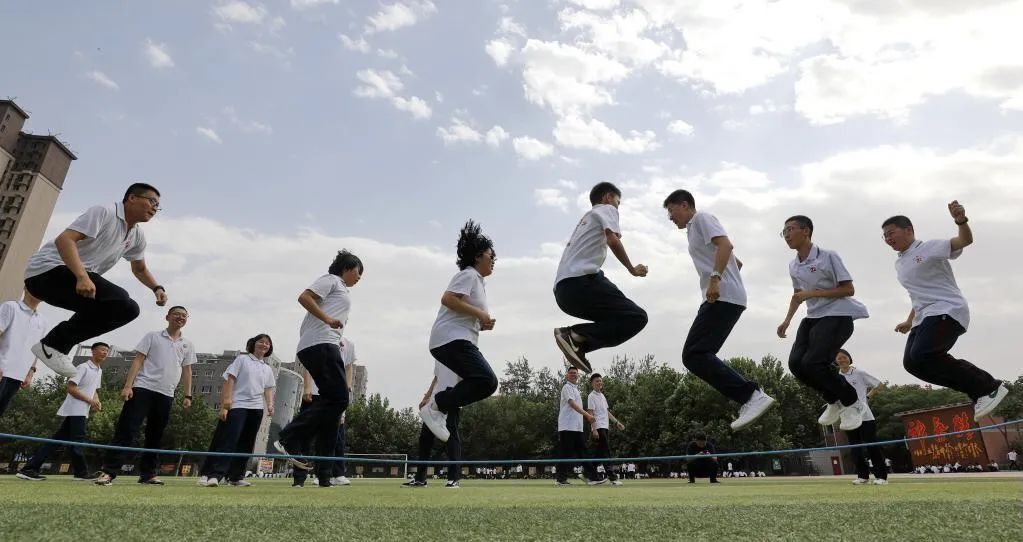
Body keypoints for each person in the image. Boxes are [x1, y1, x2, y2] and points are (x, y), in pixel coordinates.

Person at [24, 183, 167, 377]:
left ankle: (53, 346)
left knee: (128, 309)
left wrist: (156, 287)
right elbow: (64, 239)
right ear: (132, 198)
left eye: (157, 206)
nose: (154, 208)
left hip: (76, 282)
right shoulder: (105, 212)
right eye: (151, 201)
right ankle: (53, 345)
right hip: (46, 272)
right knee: (119, 298)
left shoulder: (136, 235)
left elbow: (139, 268)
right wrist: (82, 277)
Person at [882, 202, 1008, 421]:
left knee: (924, 354)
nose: (888, 239)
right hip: (924, 316)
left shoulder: (928, 247)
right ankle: (978, 393)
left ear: (909, 230)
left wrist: (961, 220)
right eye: (884, 236)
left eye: (891, 233)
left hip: (947, 309)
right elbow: (918, 294)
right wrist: (909, 320)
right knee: (913, 364)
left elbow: (964, 241)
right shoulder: (900, 264)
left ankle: (989, 386)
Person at [663, 189, 775, 430]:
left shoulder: (701, 218)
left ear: (684, 205)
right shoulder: (693, 230)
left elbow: (726, 244)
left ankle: (751, 396)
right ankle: (749, 396)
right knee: (697, 354)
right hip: (725, 296)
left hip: (721, 297)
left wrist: (716, 278)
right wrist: (726, 273)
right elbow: (736, 259)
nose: (671, 217)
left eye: (671, 211)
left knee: (694, 354)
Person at [273, 250, 362, 486]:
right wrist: (328, 320)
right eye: (358, 272)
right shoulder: (332, 280)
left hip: (323, 344)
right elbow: (304, 297)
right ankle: (289, 437)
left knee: (331, 406)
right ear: (348, 267)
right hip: (320, 343)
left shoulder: (341, 288)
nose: (359, 278)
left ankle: (322, 470)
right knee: (340, 399)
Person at [777, 215, 870, 432]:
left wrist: (814, 293)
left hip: (838, 315)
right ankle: (834, 401)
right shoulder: (793, 265)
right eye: (784, 232)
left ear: (806, 231)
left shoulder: (828, 256)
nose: (787, 235)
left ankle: (853, 403)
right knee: (796, 364)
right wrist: (787, 320)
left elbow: (848, 289)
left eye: (790, 229)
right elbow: (798, 294)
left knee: (813, 363)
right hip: (814, 317)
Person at [553, 182, 648, 373]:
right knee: (636, 317)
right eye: (617, 203)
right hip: (581, 282)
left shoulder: (586, 219)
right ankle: (573, 334)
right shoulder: (606, 209)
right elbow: (613, 240)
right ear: (608, 197)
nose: (617, 207)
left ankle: (577, 341)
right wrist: (632, 269)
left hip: (564, 292)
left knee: (621, 317)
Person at [95, 306, 196, 485]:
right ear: (167, 317)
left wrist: (188, 395)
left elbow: (187, 370)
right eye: (176, 315)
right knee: (127, 429)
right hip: (143, 387)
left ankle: (148, 474)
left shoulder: (187, 344)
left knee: (155, 434)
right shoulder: (153, 336)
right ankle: (108, 472)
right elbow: (138, 360)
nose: (180, 318)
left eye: (183, 316)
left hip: (166, 393)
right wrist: (128, 386)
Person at [419, 221, 499, 442]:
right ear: (476, 257)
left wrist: (482, 322)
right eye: (490, 255)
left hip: (458, 339)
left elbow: (464, 310)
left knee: (485, 382)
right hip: (450, 338)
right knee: (487, 380)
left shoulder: (480, 283)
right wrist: (480, 314)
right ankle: (436, 407)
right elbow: (448, 299)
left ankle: (438, 408)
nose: (493, 260)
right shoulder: (469, 274)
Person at [16, 342, 108, 482]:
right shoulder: (82, 367)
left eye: (107, 351)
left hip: (82, 410)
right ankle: (81, 473)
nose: (105, 353)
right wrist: (90, 401)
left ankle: (29, 468)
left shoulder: (99, 370)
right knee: (78, 441)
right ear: (93, 351)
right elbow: (71, 388)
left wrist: (97, 401)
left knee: (56, 441)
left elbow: (94, 389)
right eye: (102, 350)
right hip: (75, 409)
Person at [201, 334, 276, 487]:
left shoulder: (267, 368)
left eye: (267, 343)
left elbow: (268, 388)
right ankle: (215, 475)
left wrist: (270, 404)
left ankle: (235, 476)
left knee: (247, 443)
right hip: (238, 405)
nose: (264, 345)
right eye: (261, 341)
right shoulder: (242, 359)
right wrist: (226, 403)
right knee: (229, 439)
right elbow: (230, 379)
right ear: (253, 344)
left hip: (256, 408)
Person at [293, 337, 357, 487]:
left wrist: (346, 390)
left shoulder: (348, 344)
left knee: (329, 438)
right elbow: (308, 366)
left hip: (334, 396)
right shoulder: (318, 337)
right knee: (305, 438)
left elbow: (348, 367)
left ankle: (323, 477)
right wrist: (307, 387)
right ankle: (299, 478)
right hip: (314, 394)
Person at [404, 362, 463, 489]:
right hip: (435, 400)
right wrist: (427, 396)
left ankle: (454, 478)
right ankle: (420, 478)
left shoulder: (461, 349)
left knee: (451, 435)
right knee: (425, 438)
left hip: (452, 396)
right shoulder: (440, 352)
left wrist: (459, 395)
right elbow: (436, 377)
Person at [835, 349, 888, 485]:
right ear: (835, 361)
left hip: (865, 416)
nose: (842, 360)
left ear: (849, 358)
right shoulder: (836, 377)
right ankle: (863, 476)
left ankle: (881, 477)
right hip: (848, 417)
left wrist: (868, 396)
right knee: (855, 448)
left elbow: (879, 384)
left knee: (872, 446)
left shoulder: (859, 373)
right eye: (838, 358)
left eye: (844, 357)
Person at [0, 289, 46, 417]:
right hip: (2, 370)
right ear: (26, 287)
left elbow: (36, 349)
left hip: (18, 375)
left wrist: (30, 372)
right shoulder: (11, 307)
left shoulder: (42, 321)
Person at [556, 367, 603, 486]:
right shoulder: (566, 388)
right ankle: (561, 479)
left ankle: (593, 477)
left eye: (575, 373)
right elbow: (572, 404)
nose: (573, 375)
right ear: (567, 375)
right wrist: (587, 415)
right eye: (571, 373)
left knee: (584, 452)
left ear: (578, 376)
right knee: (566, 453)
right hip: (567, 426)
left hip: (577, 427)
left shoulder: (576, 390)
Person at [586, 373, 624, 486]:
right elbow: (590, 413)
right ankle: (612, 477)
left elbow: (607, 412)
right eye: (597, 381)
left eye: (600, 381)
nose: (599, 383)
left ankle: (587, 472)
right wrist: (594, 429)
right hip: (599, 426)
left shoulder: (602, 396)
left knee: (600, 453)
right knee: (606, 452)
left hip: (605, 426)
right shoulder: (591, 396)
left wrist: (617, 422)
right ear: (592, 383)